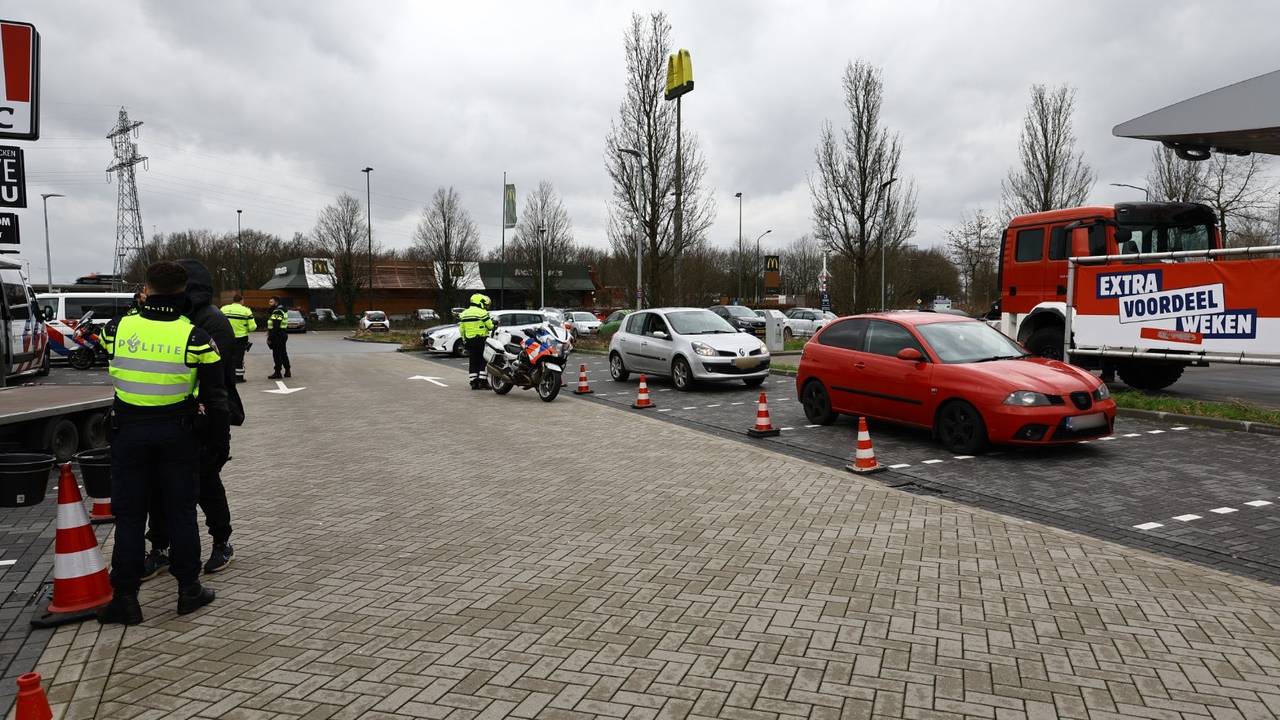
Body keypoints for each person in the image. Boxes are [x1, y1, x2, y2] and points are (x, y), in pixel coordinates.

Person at [96, 261, 227, 625]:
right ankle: (188, 591)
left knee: (130, 517)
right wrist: (218, 441)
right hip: (178, 435)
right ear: (183, 292)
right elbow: (216, 395)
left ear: (146, 289)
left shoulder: (117, 329)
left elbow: (109, 354)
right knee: (182, 512)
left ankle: (125, 598)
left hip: (128, 434)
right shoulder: (197, 337)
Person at [141, 260, 244, 582]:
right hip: (166, 418)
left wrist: (217, 434)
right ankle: (159, 548)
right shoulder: (167, 316)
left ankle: (221, 542)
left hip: (201, 419)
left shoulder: (212, 322)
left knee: (206, 485)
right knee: (158, 489)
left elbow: (216, 382)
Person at [458, 293, 495, 389]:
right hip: (481, 339)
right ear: (480, 302)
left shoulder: (464, 313)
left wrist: (464, 340)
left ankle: (473, 382)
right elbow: (490, 326)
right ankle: (483, 381)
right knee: (483, 360)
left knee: (473, 360)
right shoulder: (482, 313)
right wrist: (494, 324)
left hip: (469, 340)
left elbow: (461, 330)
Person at [220, 293, 256, 384]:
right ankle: (239, 378)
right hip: (241, 338)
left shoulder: (224, 309)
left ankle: (226, 376)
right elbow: (253, 327)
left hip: (226, 337)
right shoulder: (246, 311)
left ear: (233, 300)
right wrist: (245, 328)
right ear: (241, 301)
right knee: (239, 358)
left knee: (227, 356)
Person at [266, 297, 290, 379]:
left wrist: (270, 338)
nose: (269, 303)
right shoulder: (282, 310)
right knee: (283, 353)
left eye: (271, 302)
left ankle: (277, 372)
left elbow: (275, 326)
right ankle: (287, 371)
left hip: (277, 335)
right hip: (282, 334)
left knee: (277, 354)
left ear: (276, 302)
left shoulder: (277, 311)